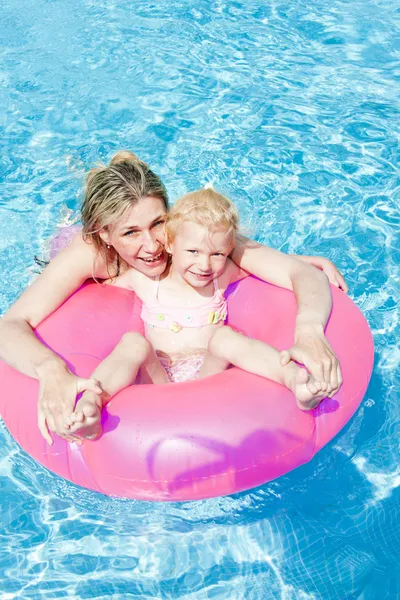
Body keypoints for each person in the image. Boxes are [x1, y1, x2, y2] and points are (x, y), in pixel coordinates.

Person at [0, 151, 346, 445]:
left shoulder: (190, 239)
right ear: (106, 234)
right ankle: (80, 184)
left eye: (158, 223)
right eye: (131, 232)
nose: (152, 246)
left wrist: (309, 330)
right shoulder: (91, 253)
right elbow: (11, 325)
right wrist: (51, 370)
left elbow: (295, 274)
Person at [65, 188, 339, 441]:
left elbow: (273, 271)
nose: (204, 264)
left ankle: (295, 381)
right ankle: (92, 402)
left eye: (217, 253)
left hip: (210, 376)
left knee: (224, 337)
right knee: (133, 343)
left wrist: (305, 261)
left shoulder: (224, 275)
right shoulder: (144, 280)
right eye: (193, 251)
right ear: (170, 245)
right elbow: (90, 285)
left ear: (229, 251)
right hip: (158, 378)